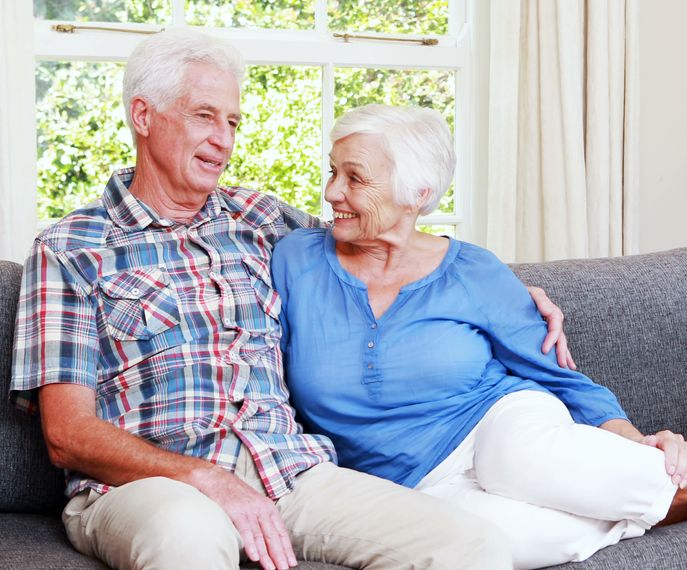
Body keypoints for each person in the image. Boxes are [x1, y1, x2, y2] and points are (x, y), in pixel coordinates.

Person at [10, 29, 573, 570]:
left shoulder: (259, 220)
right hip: (146, 488)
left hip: (288, 473)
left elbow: (380, 242)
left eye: (231, 121)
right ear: (143, 116)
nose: (224, 140)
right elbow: (68, 434)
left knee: (470, 547)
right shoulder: (70, 249)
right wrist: (202, 477)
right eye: (204, 116)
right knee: (189, 535)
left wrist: (501, 288)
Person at [272, 104, 687, 570]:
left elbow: (559, 377)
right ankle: (667, 501)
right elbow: (215, 206)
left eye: (354, 178)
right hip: (411, 483)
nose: (330, 192)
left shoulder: (473, 272)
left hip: (496, 424)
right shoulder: (296, 257)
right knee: (504, 542)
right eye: (332, 171)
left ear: (417, 193)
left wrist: (635, 444)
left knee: (513, 462)